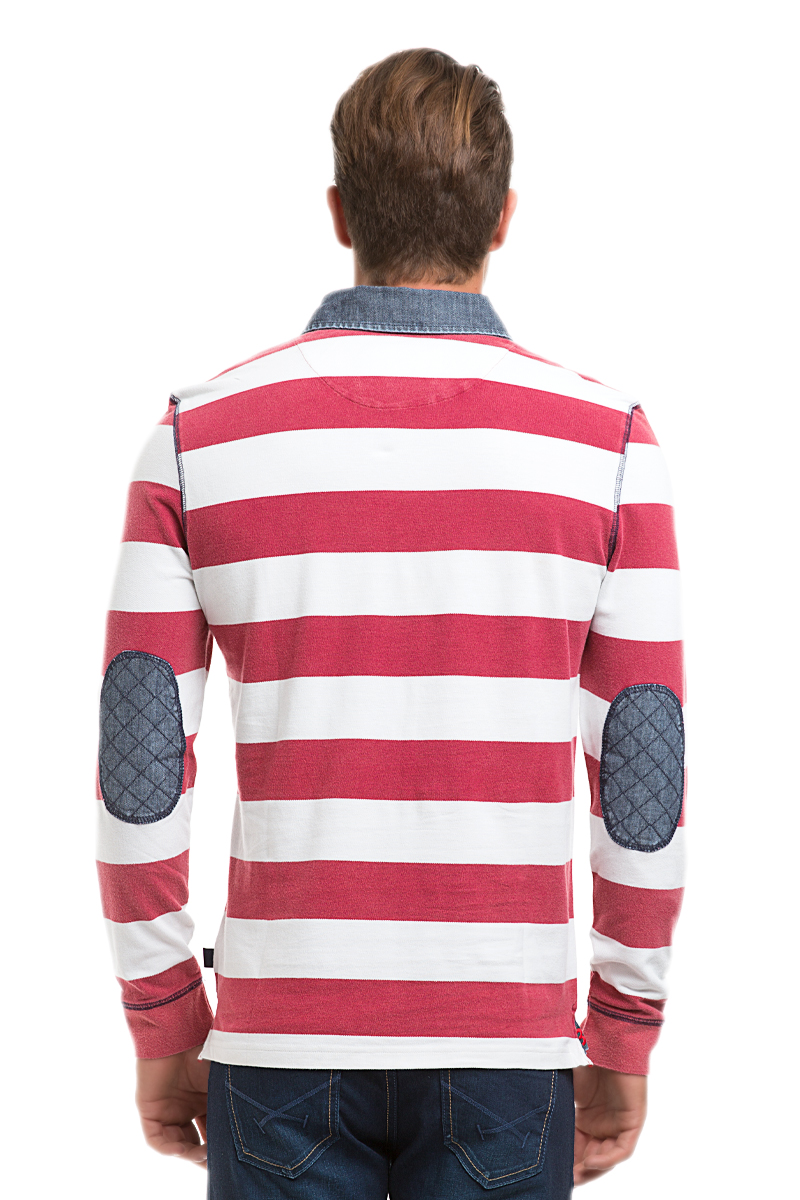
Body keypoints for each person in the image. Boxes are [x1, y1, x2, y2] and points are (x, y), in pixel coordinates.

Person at [95, 47, 686, 1198]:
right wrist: (621, 1031)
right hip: (507, 1050)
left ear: (339, 213)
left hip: (278, 1047)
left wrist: (164, 1019)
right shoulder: (607, 445)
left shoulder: (197, 436)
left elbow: (138, 773)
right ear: (501, 218)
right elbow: (641, 777)